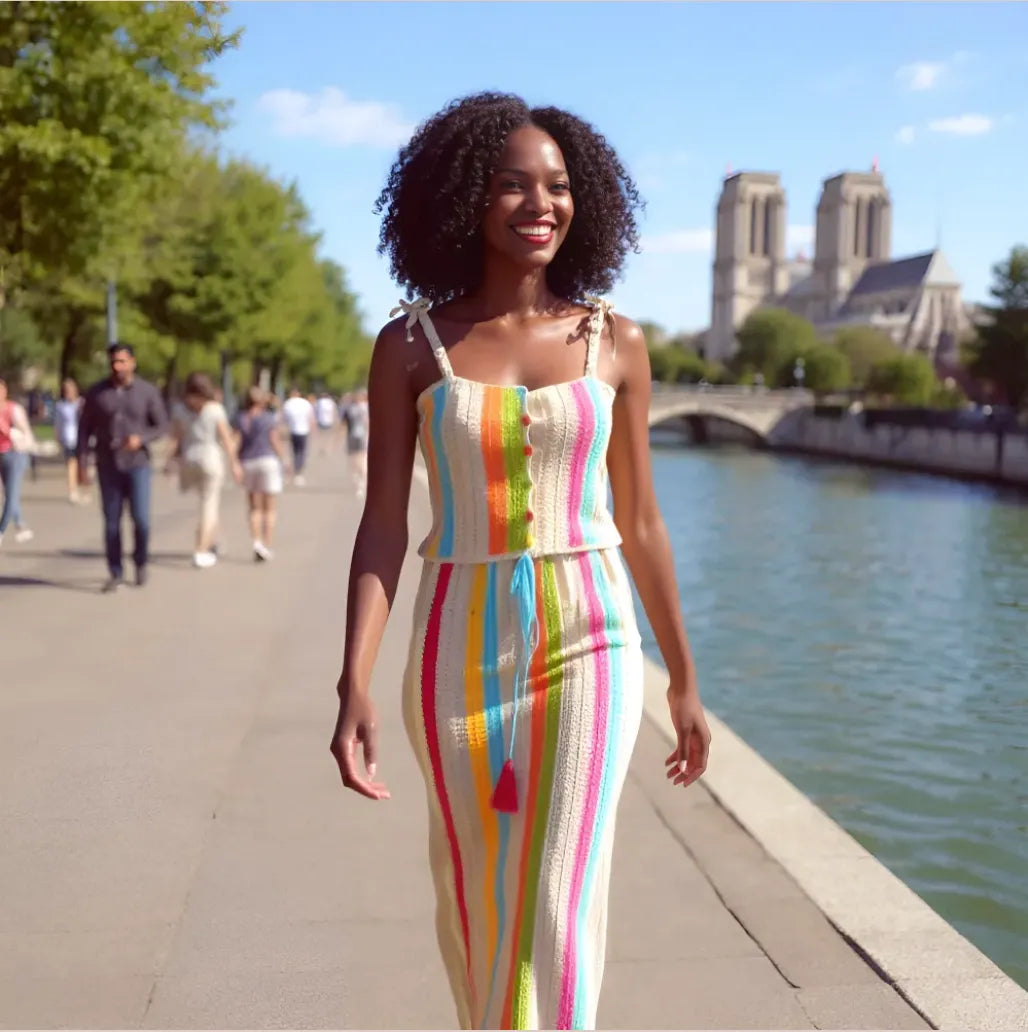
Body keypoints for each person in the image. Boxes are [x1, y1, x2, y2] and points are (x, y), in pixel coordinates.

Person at [329, 93, 711, 1031]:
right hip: (454, 653)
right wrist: (353, 680)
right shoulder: (409, 346)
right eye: (513, 185)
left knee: (556, 894)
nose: (541, 203)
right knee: (472, 894)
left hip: (593, 640)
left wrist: (685, 682)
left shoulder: (615, 341)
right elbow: (384, 522)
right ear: (465, 198)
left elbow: (644, 521)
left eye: (559, 186)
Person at [78, 343, 168, 591]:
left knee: (141, 519)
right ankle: (115, 571)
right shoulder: (97, 393)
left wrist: (142, 438)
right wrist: (82, 463)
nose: (118, 367)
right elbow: (84, 430)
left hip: (138, 464)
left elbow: (161, 425)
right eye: (113, 362)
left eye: (122, 361)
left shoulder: (147, 391)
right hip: (108, 465)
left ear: (132, 363)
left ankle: (140, 562)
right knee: (111, 523)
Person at [166, 372, 242, 569]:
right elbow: (226, 438)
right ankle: (201, 549)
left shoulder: (180, 409)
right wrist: (235, 462)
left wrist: (170, 460)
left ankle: (215, 540)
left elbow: (176, 437)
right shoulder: (215, 409)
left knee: (205, 504)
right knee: (209, 506)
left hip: (190, 458)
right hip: (211, 459)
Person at [232, 385, 288, 561]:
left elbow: (236, 442)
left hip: (248, 462)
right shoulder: (268, 418)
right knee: (269, 509)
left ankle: (256, 542)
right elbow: (274, 439)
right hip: (267, 461)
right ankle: (267, 545)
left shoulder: (241, 418)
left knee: (254, 507)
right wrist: (284, 458)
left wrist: (234, 463)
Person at [0, 378, 36, 547]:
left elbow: (23, 431)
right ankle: (21, 524)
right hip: (1, 454)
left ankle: (1, 530)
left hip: (15, 454)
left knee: (12, 495)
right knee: (10, 494)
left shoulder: (14, 409)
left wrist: (6, 429)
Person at [54, 378, 86, 504]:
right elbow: (58, 423)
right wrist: (57, 436)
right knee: (71, 464)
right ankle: (72, 490)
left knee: (83, 465)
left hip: (82, 437)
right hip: (69, 438)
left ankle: (84, 488)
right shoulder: (61, 406)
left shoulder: (82, 403)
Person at [281, 387, 315, 486]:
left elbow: (283, 418)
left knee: (294, 451)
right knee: (301, 452)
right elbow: (311, 418)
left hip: (292, 430)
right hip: (303, 430)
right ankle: (298, 472)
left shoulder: (288, 403)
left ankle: (292, 470)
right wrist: (313, 429)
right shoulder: (305, 403)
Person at [341, 387, 369, 497]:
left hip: (363, 437)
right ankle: (358, 478)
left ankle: (361, 483)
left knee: (361, 460)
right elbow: (344, 423)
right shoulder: (350, 409)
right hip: (352, 436)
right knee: (353, 460)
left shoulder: (368, 408)